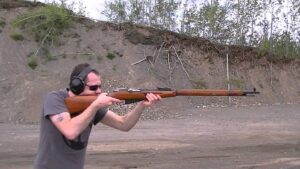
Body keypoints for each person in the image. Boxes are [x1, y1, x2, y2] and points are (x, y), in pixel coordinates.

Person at [33, 63, 161, 169]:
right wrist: (95, 105)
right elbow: (70, 131)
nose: (99, 91)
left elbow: (124, 124)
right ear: (76, 86)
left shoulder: (90, 104)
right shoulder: (55, 98)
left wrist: (141, 105)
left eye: (100, 86)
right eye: (93, 87)